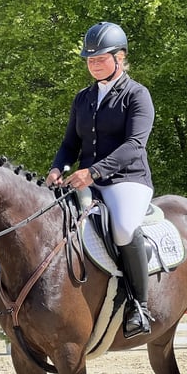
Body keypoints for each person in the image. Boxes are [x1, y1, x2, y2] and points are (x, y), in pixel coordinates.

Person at [46, 21, 155, 338]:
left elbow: (135, 146)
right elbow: (70, 144)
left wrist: (92, 172)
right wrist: (57, 167)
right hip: (85, 181)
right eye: (90, 60)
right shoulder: (82, 98)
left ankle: (140, 305)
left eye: (100, 58)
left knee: (122, 227)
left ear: (120, 57)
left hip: (127, 180)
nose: (93, 64)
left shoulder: (137, 95)